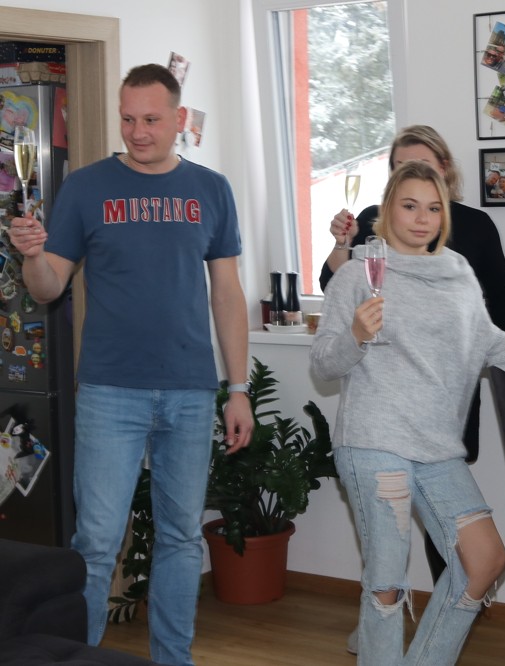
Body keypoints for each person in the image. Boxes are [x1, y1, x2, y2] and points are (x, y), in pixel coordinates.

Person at [8, 64, 252, 666]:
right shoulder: (87, 188)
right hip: (109, 391)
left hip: (190, 391)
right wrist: (32, 256)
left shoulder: (211, 189)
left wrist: (239, 388)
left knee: (180, 538)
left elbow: (226, 294)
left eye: (150, 119)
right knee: (95, 543)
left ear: (178, 119)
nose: (138, 132)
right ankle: (80, 656)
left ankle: (174, 660)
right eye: (127, 119)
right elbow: (47, 288)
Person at [310, 160, 505, 665]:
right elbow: (324, 363)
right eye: (410, 206)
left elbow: (497, 346)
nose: (422, 219)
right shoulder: (355, 274)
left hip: (436, 449)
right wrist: (356, 337)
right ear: (387, 210)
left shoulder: (458, 274)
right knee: (387, 584)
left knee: (485, 561)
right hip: (373, 442)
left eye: (433, 209)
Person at [324, 124, 505, 656]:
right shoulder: (370, 240)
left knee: (471, 552)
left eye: (430, 200)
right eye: (401, 179)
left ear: (445, 177)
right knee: (386, 573)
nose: (420, 214)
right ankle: (379, 641)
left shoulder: (468, 243)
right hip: (377, 428)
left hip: (441, 417)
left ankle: (422, 639)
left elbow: (500, 316)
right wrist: (341, 249)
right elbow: (335, 305)